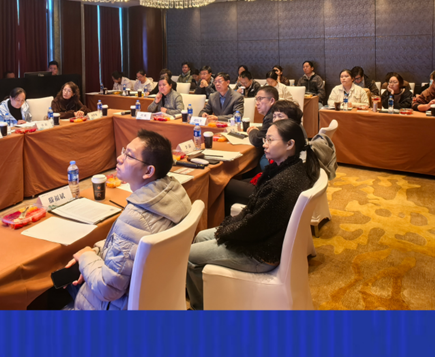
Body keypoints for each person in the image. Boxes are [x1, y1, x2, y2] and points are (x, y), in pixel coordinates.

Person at [186, 119, 318, 310]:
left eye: (270, 140)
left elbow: (252, 227)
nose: (264, 144)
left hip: (262, 252)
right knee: (200, 236)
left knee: (189, 255)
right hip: (265, 239)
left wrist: (225, 230)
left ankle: (199, 309)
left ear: (290, 144)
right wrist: (228, 227)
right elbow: (254, 219)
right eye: (265, 139)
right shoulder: (293, 168)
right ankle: (207, 292)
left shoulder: (282, 184)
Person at [63, 129, 192, 310]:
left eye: (129, 155)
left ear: (148, 171)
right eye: (124, 151)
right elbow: (128, 244)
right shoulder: (174, 196)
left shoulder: (137, 217)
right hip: (152, 298)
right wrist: (94, 252)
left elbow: (108, 289)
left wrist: (85, 256)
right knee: (72, 273)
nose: (119, 158)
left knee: (54, 286)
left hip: (115, 307)